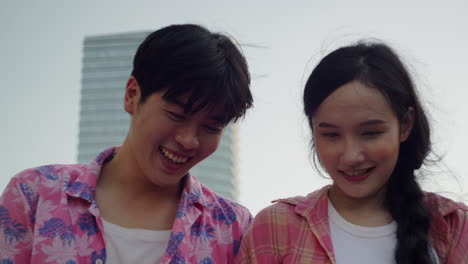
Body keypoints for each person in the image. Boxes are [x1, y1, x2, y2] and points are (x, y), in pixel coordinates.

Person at [0, 24, 253, 263]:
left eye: (211, 128)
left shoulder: (233, 228)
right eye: (176, 115)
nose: (189, 140)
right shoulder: (34, 194)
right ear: (132, 95)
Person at [236, 42, 468, 263]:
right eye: (331, 135)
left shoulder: (455, 226)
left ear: (405, 125)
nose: (350, 156)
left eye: (370, 133)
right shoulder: (276, 227)